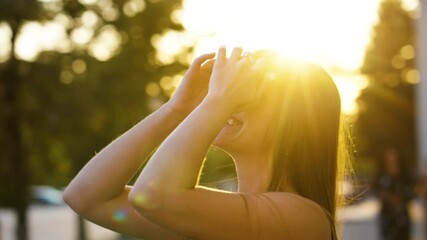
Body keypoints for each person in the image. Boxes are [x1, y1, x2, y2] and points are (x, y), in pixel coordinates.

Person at [64, 47, 348, 240]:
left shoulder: (302, 218)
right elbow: (86, 197)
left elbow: (155, 197)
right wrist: (178, 108)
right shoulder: (215, 213)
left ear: (296, 124)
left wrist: (218, 101)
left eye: (250, 94)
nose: (231, 102)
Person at [376, 148, 414, 240]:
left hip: (402, 217)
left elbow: (411, 192)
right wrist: (387, 197)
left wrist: (399, 198)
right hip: (387, 217)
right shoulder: (381, 175)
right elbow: (376, 191)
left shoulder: (405, 175)